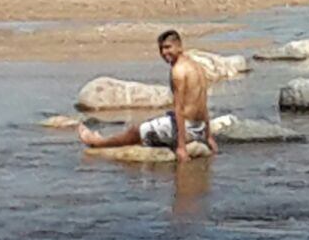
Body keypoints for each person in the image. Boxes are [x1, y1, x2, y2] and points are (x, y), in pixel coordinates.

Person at [78, 31, 217, 163]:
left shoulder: (178, 72)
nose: (164, 53)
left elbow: (179, 108)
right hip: (199, 127)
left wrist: (181, 147)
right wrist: (208, 136)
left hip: (187, 129)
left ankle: (98, 142)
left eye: (168, 47)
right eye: (161, 49)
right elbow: (202, 103)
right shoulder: (197, 67)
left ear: (179, 46)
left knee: (135, 131)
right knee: (153, 122)